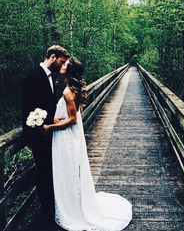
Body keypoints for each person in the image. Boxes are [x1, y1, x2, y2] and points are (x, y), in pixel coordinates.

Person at [43, 58, 132, 230]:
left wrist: (50, 126)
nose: (61, 66)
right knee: (69, 169)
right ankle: (72, 203)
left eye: (65, 65)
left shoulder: (69, 91)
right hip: (69, 135)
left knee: (67, 169)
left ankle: (72, 208)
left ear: (70, 71)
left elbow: (71, 120)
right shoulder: (71, 89)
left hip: (66, 136)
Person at [22, 45, 70, 222]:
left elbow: (47, 105)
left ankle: (51, 207)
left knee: (49, 170)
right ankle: (46, 213)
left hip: (49, 132)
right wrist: (42, 126)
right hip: (38, 135)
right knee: (43, 171)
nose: (61, 65)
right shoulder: (34, 76)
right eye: (61, 61)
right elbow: (29, 107)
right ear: (52, 57)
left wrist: (52, 122)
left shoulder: (50, 77)